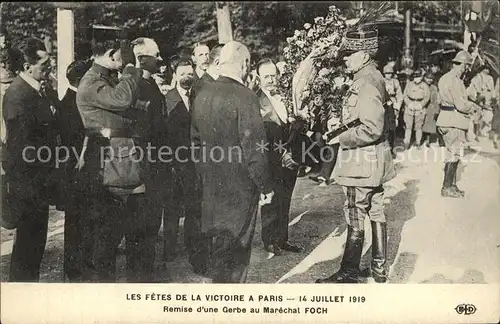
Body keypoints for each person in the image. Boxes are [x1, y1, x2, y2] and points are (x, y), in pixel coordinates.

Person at [316, 28, 395, 284]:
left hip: (360, 162)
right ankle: (379, 268)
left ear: (363, 55)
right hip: (374, 161)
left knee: (354, 213)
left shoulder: (365, 83)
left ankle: (349, 272)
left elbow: (372, 127)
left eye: (348, 55)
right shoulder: (374, 77)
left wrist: (341, 137)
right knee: (375, 210)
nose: (344, 60)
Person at [191, 41, 274, 283]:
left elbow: (194, 142)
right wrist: (265, 186)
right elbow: (255, 149)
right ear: (245, 64)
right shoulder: (246, 96)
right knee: (238, 252)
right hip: (241, 187)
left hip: (211, 184)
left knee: (220, 246)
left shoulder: (202, 93)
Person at [76, 37, 149, 282]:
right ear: (109, 53)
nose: (124, 63)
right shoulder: (91, 83)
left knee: (134, 237)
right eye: (121, 58)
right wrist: (130, 70)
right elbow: (122, 101)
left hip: (124, 166)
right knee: (108, 240)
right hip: (111, 170)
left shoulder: (105, 79)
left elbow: (123, 108)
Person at [3, 37, 60, 281]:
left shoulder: (34, 91)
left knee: (34, 247)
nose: (49, 68)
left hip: (37, 184)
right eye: (45, 64)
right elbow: (21, 149)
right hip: (29, 186)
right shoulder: (19, 95)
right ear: (28, 67)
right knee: (27, 249)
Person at [127, 37, 166, 282]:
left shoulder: (150, 84)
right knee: (140, 220)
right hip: (145, 162)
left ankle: (146, 269)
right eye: (156, 55)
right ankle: (139, 274)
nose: (160, 59)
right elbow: (140, 128)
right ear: (143, 59)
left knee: (152, 219)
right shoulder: (136, 85)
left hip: (157, 161)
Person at [163, 58, 206, 274]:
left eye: (190, 73)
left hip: (194, 163)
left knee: (193, 207)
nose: (187, 78)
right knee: (171, 208)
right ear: (175, 75)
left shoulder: (199, 96)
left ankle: (193, 249)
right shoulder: (167, 99)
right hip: (174, 162)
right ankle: (169, 247)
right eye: (183, 74)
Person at [255, 58, 302, 256]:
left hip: (289, 158)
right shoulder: (255, 101)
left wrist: (292, 153)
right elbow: (258, 136)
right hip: (270, 160)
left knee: (286, 198)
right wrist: (280, 154)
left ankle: (282, 238)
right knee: (271, 201)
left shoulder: (286, 98)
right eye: (266, 77)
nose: (271, 80)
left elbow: (293, 127)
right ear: (258, 79)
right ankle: (269, 240)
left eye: (273, 75)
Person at [59, 59, 92, 282]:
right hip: (75, 172)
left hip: (78, 171)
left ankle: (79, 266)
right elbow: (72, 140)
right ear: (80, 81)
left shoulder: (72, 101)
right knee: (76, 222)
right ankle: (74, 269)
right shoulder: (71, 104)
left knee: (81, 220)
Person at [436, 50, 474, 198]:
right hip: (454, 121)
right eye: (467, 66)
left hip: (445, 119)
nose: (467, 69)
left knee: (452, 154)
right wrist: (472, 106)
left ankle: (451, 185)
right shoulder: (456, 81)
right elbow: (461, 105)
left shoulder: (444, 78)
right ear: (463, 65)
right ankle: (447, 187)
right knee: (454, 155)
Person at [403, 69, 430, 149]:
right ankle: (407, 143)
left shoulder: (425, 86)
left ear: (421, 77)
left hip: (420, 107)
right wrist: (409, 104)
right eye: (415, 77)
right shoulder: (409, 84)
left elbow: (427, 97)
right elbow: (405, 95)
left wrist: (421, 105)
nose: (416, 79)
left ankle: (418, 143)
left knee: (419, 126)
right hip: (410, 107)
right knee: (408, 126)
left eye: (418, 77)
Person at [383, 63, 403, 154]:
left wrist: (398, 105)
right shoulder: (382, 81)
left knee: (393, 127)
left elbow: (399, 94)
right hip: (384, 104)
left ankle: (391, 147)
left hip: (393, 103)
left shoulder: (395, 82)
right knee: (384, 127)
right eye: (387, 73)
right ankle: (385, 147)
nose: (389, 75)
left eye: (390, 73)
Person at [422, 71, 441, 147]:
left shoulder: (434, 88)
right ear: (424, 78)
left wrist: (437, 109)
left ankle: (427, 140)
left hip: (431, 107)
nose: (429, 80)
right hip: (422, 106)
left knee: (429, 125)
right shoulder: (421, 86)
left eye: (431, 79)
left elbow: (436, 99)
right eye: (427, 78)